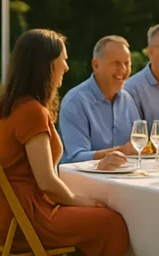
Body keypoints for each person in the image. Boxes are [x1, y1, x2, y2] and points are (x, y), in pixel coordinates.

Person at [0, 29, 130, 256]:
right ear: (44, 65)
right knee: (114, 223)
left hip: (8, 216)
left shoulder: (13, 105)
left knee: (97, 220)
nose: (66, 68)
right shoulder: (31, 112)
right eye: (62, 61)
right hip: (29, 219)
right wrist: (79, 202)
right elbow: (47, 182)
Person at [58, 35, 138, 167]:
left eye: (127, 63)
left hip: (125, 179)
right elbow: (76, 157)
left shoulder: (127, 99)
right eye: (116, 63)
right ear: (96, 65)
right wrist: (119, 152)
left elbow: (136, 145)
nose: (123, 70)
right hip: (86, 184)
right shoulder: (75, 102)